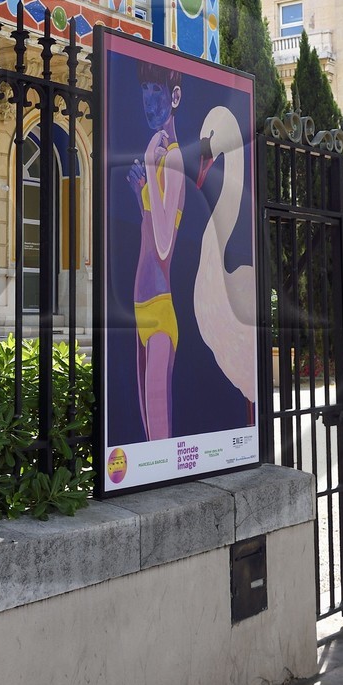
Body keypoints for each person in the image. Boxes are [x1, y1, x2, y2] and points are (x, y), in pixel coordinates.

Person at [127, 61, 186, 441]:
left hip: (160, 314)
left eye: (157, 92)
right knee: (150, 440)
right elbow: (153, 229)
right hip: (142, 308)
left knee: (159, 439)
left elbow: (164, 244)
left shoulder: (172, 158)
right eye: (144, 91)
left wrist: (150, 163)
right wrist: (140, 195)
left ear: (174, 96)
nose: (148, 102)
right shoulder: (162, 156)